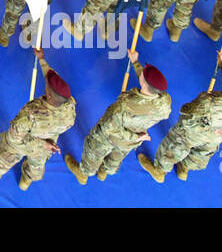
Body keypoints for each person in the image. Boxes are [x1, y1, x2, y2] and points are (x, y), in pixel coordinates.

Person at [0, 49, 75, 190]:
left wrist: (42, 143)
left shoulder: (31, 113)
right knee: (37, 165)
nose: (46, 84)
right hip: (49, 141)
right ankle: (25, 182)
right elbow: (52, 79)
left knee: (5, 155)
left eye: (47, 86)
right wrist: (42, 60)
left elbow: (14, 137)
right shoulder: (69, 107)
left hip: (31, 142)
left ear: (50, 96)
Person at [65, 51, 171, 182]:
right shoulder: (165, 102)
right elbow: (148, 85)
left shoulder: (124, 105)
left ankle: (84, 173)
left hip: (111, 138)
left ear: (143, 82)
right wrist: (135, 63)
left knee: (93, 152)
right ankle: (104, 171)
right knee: (115, 159)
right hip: (129, 143)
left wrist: (136, 136)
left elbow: (108, 128)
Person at [139, 59, 222, 182]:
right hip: (216, 137)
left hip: (194, 133)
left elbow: (187, 115)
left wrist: (201, 101)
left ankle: (159, 171)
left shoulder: (208, 103)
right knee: (200, 154)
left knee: (172, 148)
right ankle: (184, 169)